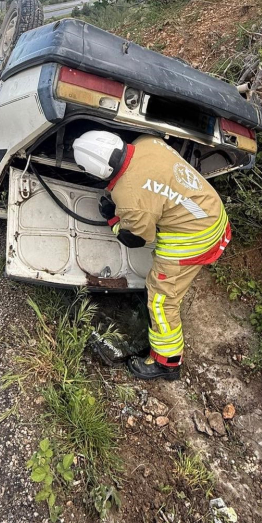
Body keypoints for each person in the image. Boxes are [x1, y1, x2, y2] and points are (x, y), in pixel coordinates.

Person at [73, 130, 231, 381]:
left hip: (194, 239)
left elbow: (136, 239)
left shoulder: (130, 198)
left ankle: (167, 363)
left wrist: (113, 217)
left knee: (161, 299)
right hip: (211, 212)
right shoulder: (148, 142)